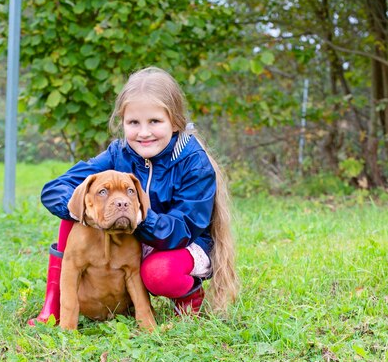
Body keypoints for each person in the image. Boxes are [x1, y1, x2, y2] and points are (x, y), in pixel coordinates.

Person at [28, 66, 238, 326]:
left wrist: (139, 218)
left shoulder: (194, 163)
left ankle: (189, 294)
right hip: (136, 235)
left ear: (174, 122)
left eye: (155, 122)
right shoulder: (119, 154)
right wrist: (86, 210)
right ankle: (54, 300)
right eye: (134, 123)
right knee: (77, 206)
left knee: (160, 273)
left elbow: (182, 229)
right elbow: (55, 188)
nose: (144, 133)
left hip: (181, 243)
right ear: (123, 123)